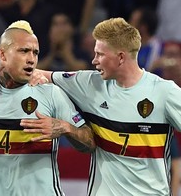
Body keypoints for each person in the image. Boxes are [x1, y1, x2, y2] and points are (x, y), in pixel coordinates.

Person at [21, 17, 181, 195]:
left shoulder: (164, 92)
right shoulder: (89, 83)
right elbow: (37, 73)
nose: (94, 60)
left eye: (100, 54)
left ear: (120, 57)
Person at [0, 20, 95, 195]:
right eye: (24, 51)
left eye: (35, 53)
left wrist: (65, 128)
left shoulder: (49, 93)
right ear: (3, 55)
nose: (31, 59)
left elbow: (90, 142)